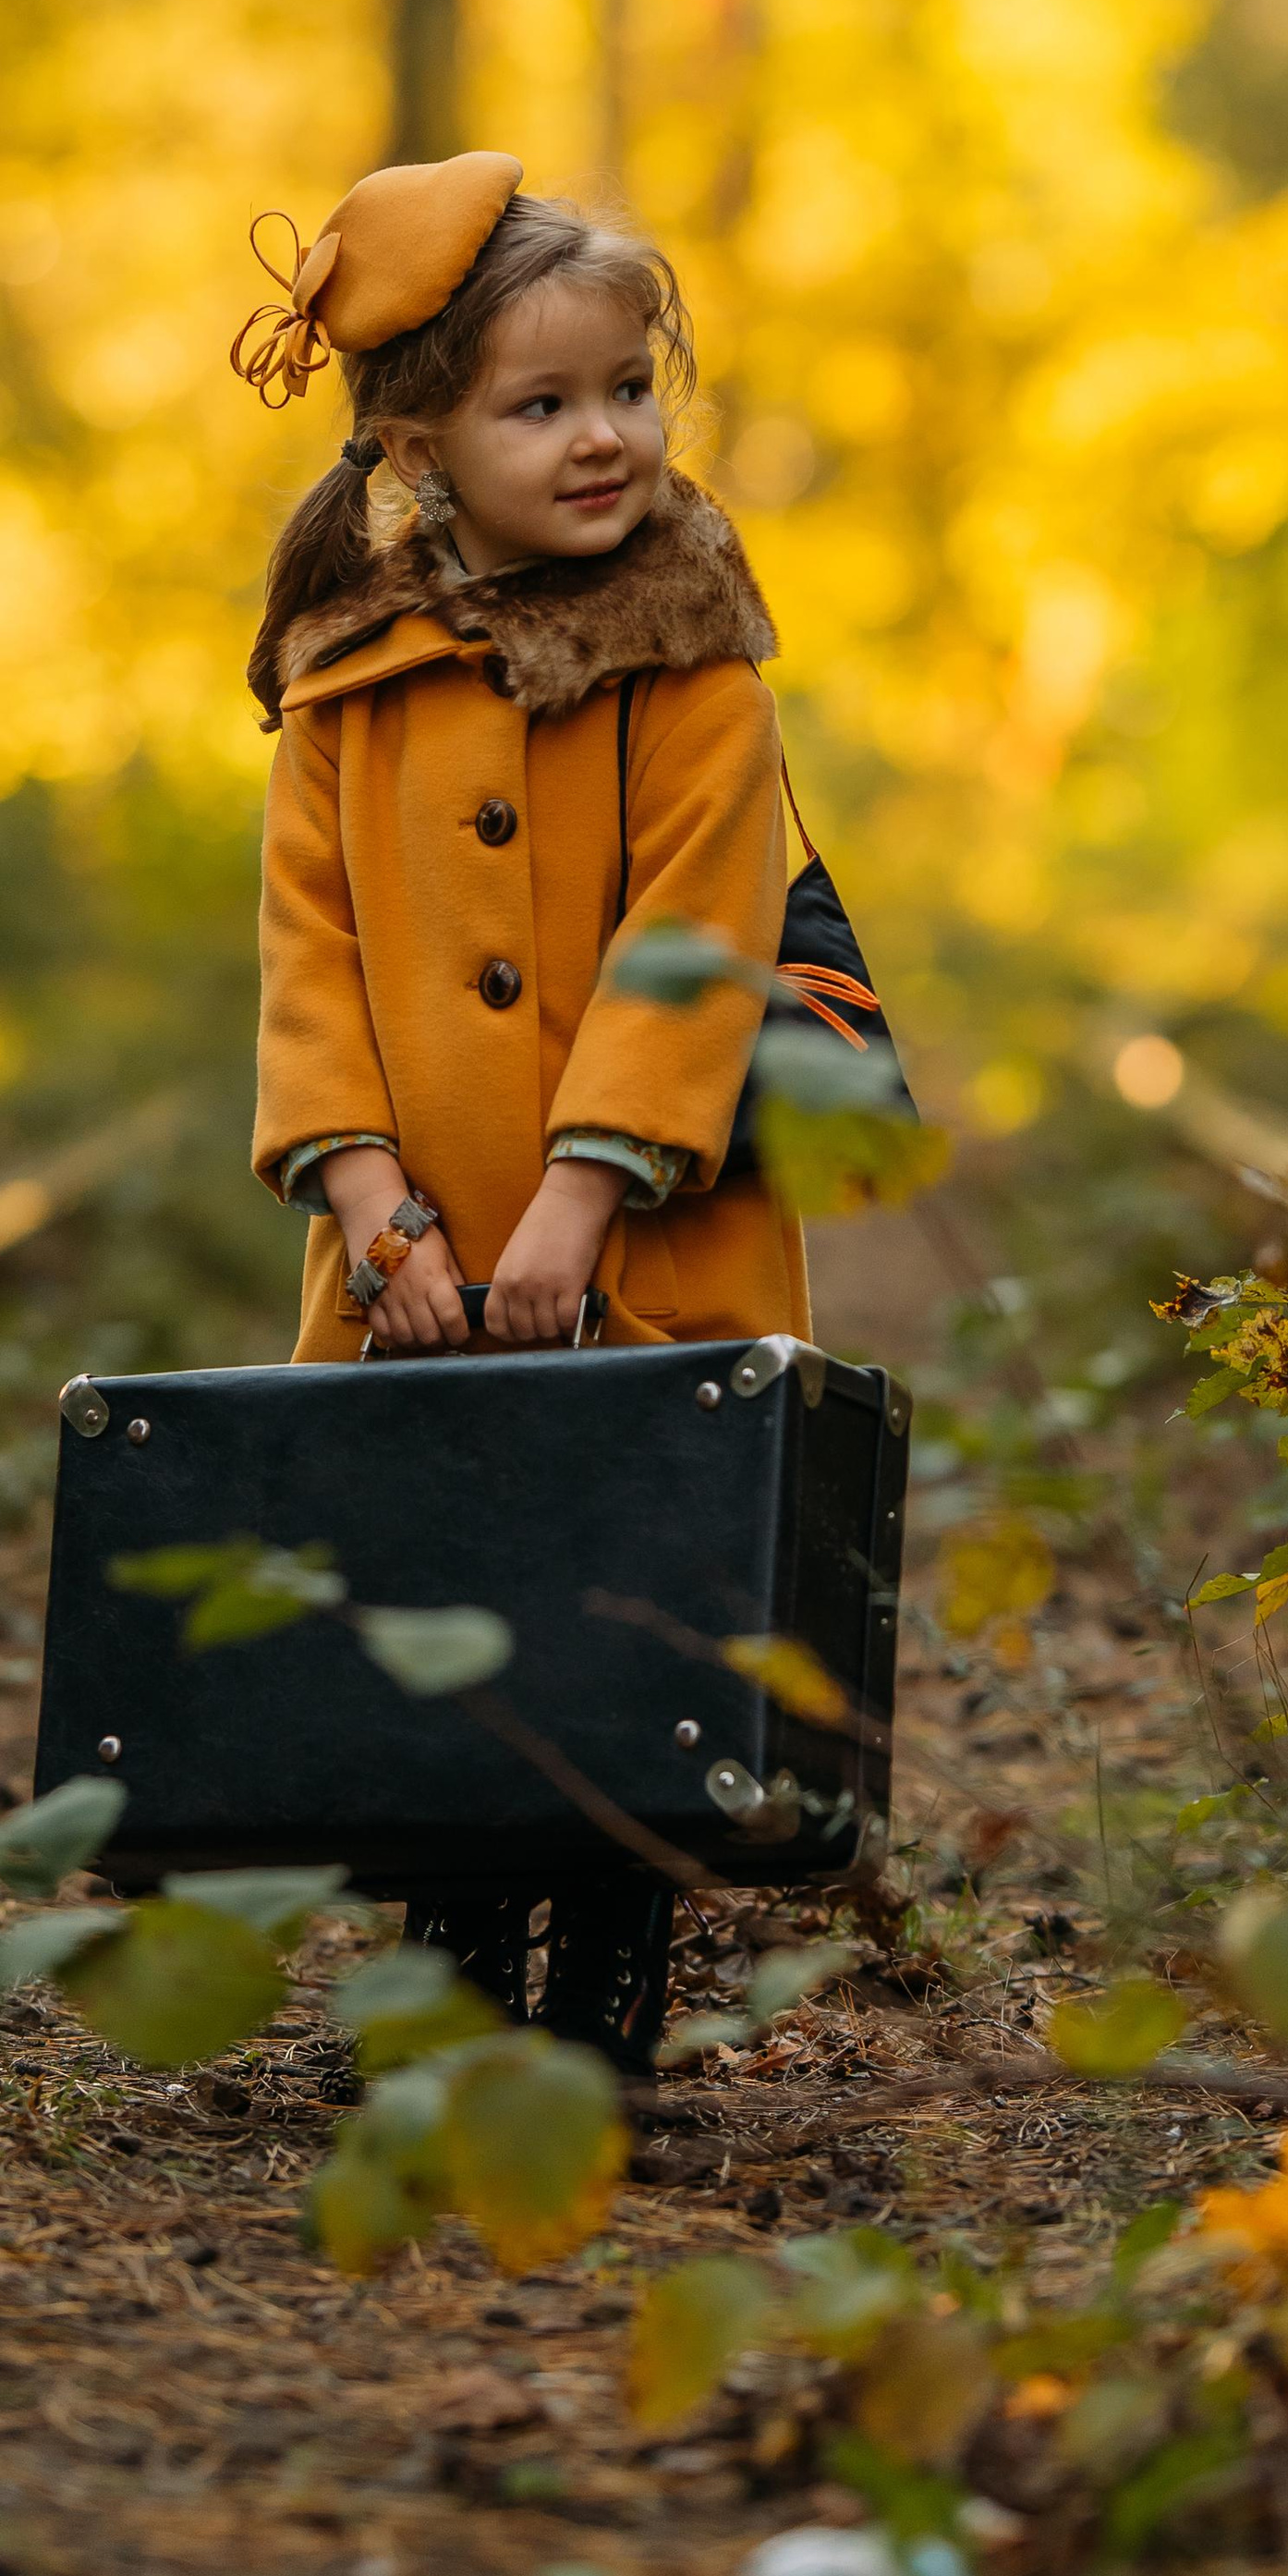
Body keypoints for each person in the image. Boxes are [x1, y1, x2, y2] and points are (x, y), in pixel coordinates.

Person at [233, 151, 807, 2069]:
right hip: (415, 1263)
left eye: (627, 391)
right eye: (538, 404)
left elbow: (697, 936)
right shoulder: (346, 685)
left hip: (631, 1243)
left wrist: (577, 1202)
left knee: (630, 1618)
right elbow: (307, 960)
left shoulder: (694, 665)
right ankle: (456, 1990)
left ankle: (609, 2013)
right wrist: (377, 1215)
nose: (601, 438)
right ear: (418, 440)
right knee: (445, 1604)